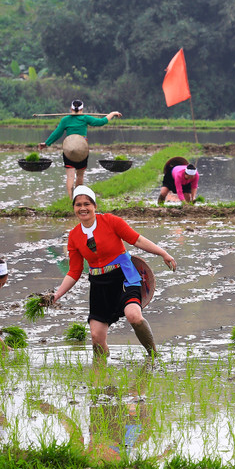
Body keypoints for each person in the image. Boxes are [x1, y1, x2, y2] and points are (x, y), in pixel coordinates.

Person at [50, 185, 176, 356]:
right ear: (74, 208)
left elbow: (136, 240)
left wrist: (163, 253)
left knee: (134, 316)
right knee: (96, 337)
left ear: (94, 206)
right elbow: (74, 271)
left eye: (86, 204)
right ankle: (102, 372)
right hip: (99, 284)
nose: (82, 208)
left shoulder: (111, 221)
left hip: (123, 275)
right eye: (78, 205)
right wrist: (56, 296)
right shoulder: (74, 236)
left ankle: (153, 356)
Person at [38, 100, 122, 200]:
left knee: (70, 177)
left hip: (69, 149)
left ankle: (70, 200)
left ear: (71, 109)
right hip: (82, 149)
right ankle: (77, 199)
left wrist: (46, 143)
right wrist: (113, 113)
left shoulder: (65, 120)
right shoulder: (85, 118)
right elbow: (101, 122)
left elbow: (57, 133)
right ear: (82, 109)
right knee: (80, 176)